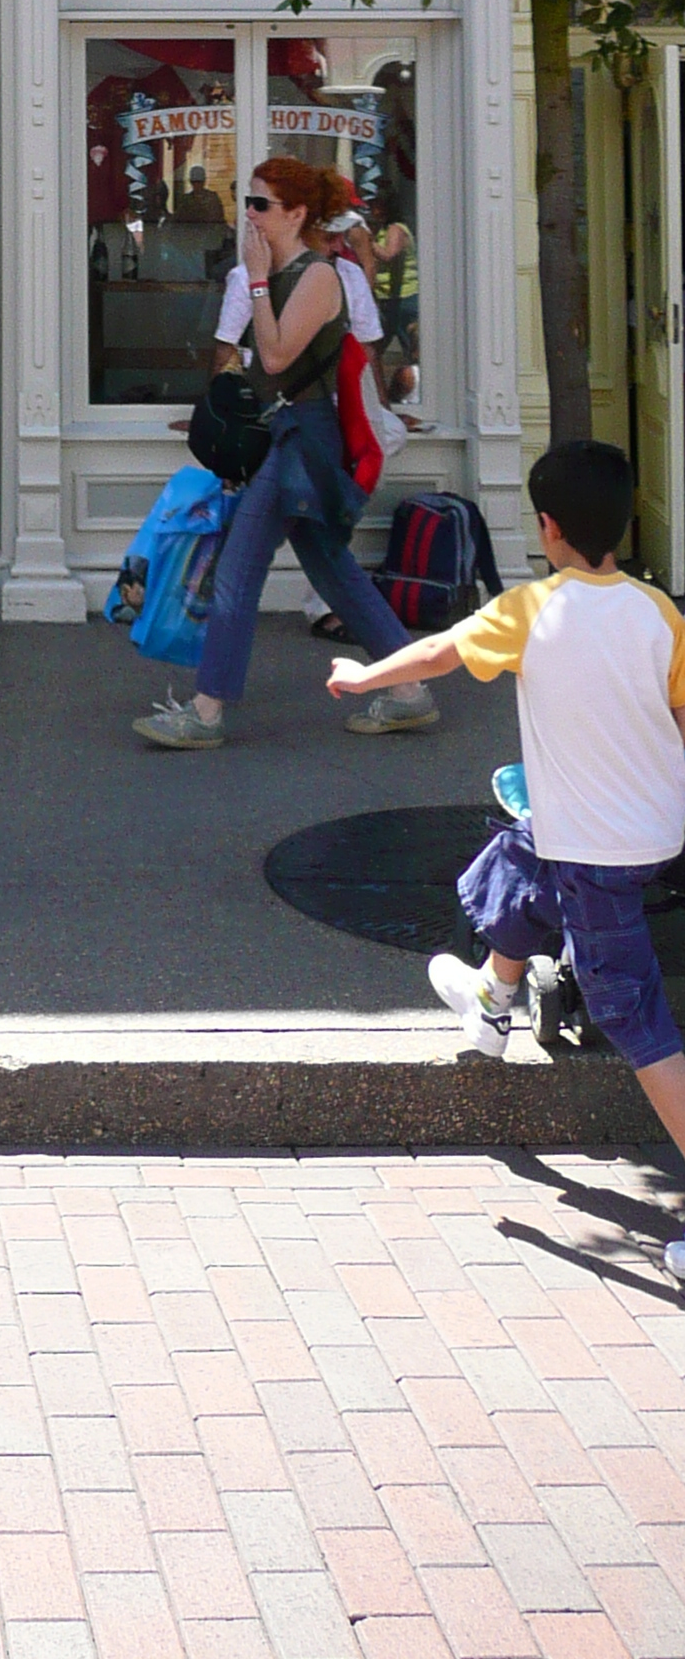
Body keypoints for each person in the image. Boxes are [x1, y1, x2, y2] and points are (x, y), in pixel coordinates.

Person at [335, 440, 685, 1257]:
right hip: (646, 833)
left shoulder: (532, 610)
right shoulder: (660, 612)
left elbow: (438, 653)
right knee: (521, 858)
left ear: (547, 528)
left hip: (595, 850)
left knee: (634, 1015)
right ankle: (493, 1003)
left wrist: (361, 677)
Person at [136, 156, 432, 751]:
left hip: (307, 438)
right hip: (294, 435)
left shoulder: (319, 275)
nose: (249, 213)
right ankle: (409, 691)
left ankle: (207, 710)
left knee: (241, 568)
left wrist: (258, 281)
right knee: (332, 569)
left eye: (262, 204)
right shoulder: (283, 269)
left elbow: (274, 356)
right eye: (248, 201)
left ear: (297, 213)